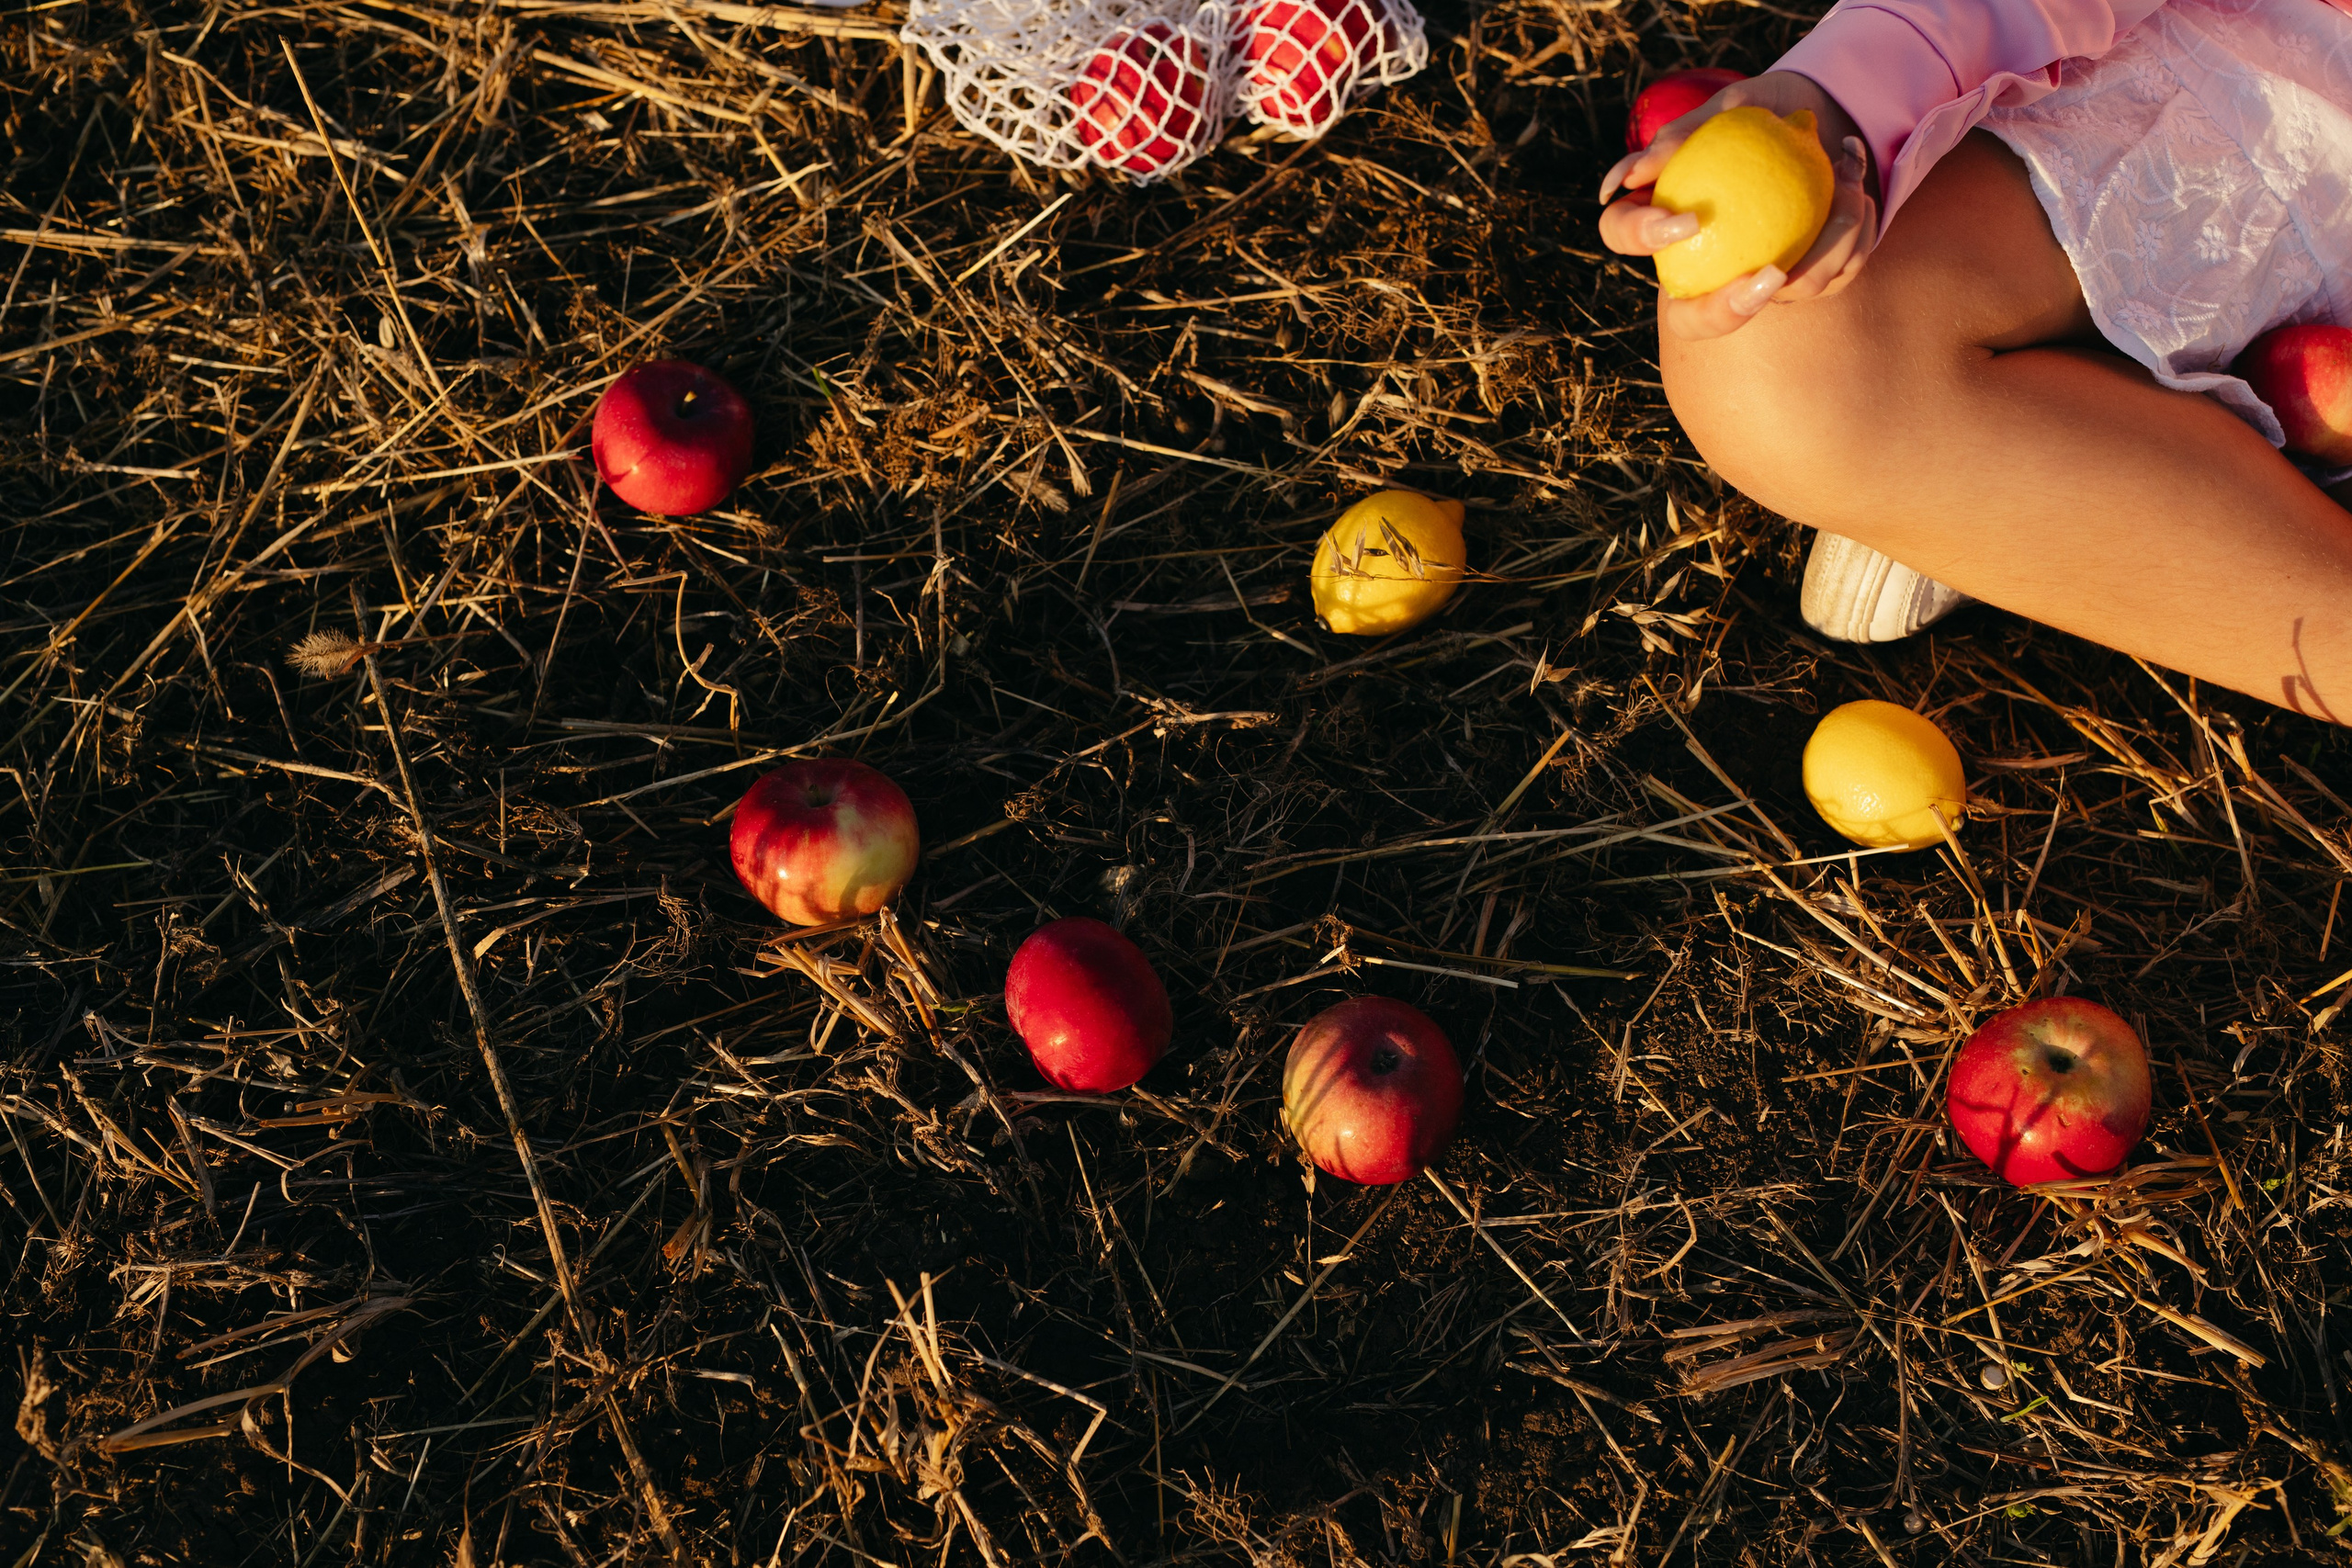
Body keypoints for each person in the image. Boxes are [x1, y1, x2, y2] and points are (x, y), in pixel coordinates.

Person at [1598, 0, 2352, 722]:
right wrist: (1849, 93)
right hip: (2268, 89)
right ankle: (2015, 466)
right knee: (1780, 374)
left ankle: (2025, 477)